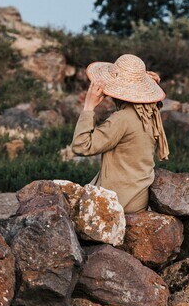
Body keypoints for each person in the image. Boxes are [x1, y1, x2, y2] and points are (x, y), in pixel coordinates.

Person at [70, 53, 169, 213]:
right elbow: (155, 101)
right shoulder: (150, 113)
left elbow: (82, 146)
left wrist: (89, 106)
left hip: (116, 202)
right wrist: (150, 84)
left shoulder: (122, 119)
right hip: (138, 200)